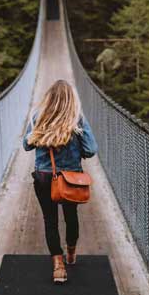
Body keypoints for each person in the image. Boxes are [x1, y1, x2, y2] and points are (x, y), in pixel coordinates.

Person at [23, 79, 98, 284]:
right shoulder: (77, 119)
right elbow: (91, 150)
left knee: (50, 220)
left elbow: (26, 146)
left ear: (49, 99)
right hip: (71, 179)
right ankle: (71, 254)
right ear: (71, 99)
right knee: (71, 216)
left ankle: (58, 266)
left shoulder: (39, 117)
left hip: (44, 177)